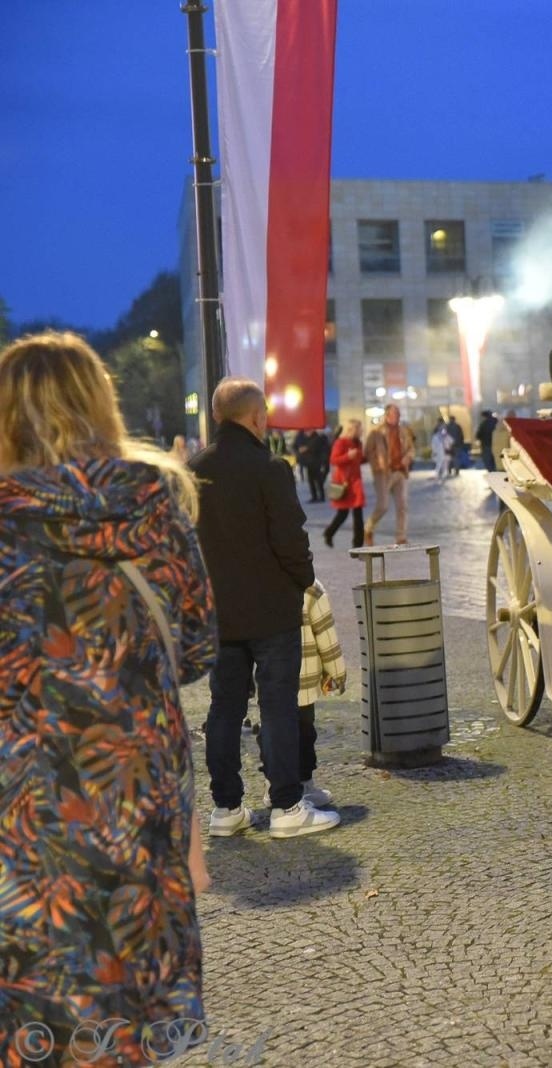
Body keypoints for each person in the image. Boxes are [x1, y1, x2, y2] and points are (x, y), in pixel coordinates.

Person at [0, 332, 217, 1058]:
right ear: (100, 403)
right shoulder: (151, 502)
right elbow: (196, 649)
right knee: (124, 1017)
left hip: (17, 818)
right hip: (131, 803)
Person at [190, 377, 339, 838]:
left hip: (220, 612)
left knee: (224, 707)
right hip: (272, 610)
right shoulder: (270, 468)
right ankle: (287, 807)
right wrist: (303, 581)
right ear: (257, 417)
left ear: (216, 415)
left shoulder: (192, 470)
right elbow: (291, 541)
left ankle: (225, 808)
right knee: (278, 706)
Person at [280, 579, 343, 810]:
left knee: (273, 730)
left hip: (272, 680)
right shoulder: (312, 588)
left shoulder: (261, 582)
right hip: (304, 681)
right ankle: (305, 784)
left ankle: (273, 784)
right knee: (304, 732)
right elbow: (326, 635)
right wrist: (337, 673)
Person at [364, 403, 415, 545]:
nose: (397, 417)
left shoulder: (403, 431)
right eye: (394, 414)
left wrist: (408, 457)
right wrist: (377, 466)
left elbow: (411, 448)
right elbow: (368, 451)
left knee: (402, 505)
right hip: (384, 474)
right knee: (383, 506)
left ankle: (401, 537)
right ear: (387, 415)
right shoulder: (376, 432)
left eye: (398, 414)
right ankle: (368, 528)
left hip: (400, 472)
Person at [324, 418, 366, 548]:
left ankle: (358, 545)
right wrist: (348, 456)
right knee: (343, 513)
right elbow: (333, 460)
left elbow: (359, 460)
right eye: (359, 429)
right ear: (351, 430)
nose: (361, 432)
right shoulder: (341, 442)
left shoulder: (358, 443)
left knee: (358, 514)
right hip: (344, 483)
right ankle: (329, 533)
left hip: (355, 483)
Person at [293, 428, 321, 501]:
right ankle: (314, 496)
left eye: (309, 430)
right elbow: (295, 446)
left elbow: (317, 446)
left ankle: (321, 496)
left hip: (316, 461)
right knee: (311, 480)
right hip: (307, 461)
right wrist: (299, 450)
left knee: (318, 480)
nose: (307, 432)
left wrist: (307, 448)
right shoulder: (300, 435)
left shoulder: (316, 437)